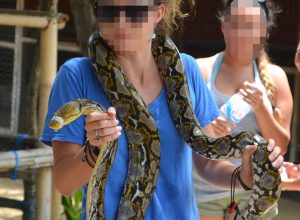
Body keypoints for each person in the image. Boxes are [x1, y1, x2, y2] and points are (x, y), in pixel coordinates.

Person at [40, 0, 283, 219]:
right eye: (108, 11)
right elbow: (64, 183)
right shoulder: (77, 76)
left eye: (134, 11)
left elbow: (206, 160)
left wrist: (242, 176)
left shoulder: (186, 70)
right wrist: (93, 151)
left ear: (158, 12)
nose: (121, 22)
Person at [193, 0, 293, 219]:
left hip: (259, 196)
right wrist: (211, 129)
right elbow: (187, 135)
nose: (242, 33)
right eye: (235, 23)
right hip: (205, 195)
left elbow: (282, 144)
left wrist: (261, 107)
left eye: (251, 25)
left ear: (264, 32)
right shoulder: (200, 70)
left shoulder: (276, 77)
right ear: (223, 26)